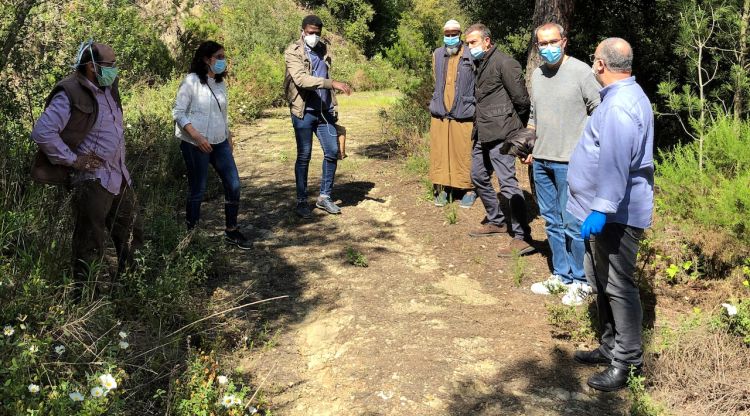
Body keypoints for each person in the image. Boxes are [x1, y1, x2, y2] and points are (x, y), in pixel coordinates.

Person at [567, 38, 654, 392]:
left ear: (600, 64)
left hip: (616, 215)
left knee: (619, 286)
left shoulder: (620, 107)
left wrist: (601, 208)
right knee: (600, 278)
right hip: (602, 211)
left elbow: (617, 164)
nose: (592, 64)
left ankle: (628, 362)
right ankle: (609, 345)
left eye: (594, 59)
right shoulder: (618, 98)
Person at [30, 40, 143, 295]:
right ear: (92, 66)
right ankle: (85, 298)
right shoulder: (69, 91)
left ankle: (130, 289)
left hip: (119, 174)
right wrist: (73, 160)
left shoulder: (109, 87)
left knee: (132, 233)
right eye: (110, 65)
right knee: (90, 242)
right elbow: (43, 132)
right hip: (92, 179)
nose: (115, 70)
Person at [523, 23, 601, 305]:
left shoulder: (582, 72)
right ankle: (561, 275)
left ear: (564, 41)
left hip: (572, 162)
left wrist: (586, 147)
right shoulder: (538, 74)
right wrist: (528, 141)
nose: (547, 48)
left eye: (552, 42)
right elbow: (534, 114)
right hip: (541, 160)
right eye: (542, 43)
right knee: (552, 220)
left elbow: (598, 110)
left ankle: (582, 281)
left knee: (573, 222)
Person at [173, 40, 250, 249]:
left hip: (220, 141)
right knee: (198, 189)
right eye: (219, 57)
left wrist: (229, 136)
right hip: (194, 143)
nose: (223, 62)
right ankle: (191, 235)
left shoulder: (220, 83)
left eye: (224, 57)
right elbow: (178, 113)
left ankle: (231, 230)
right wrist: (197, 138)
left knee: (233, 184)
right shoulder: (191, 82)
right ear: (207, 59)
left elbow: (222, 113)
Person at [465, 23, 533, 257]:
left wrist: (515, 130)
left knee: (508, 184)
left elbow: (522, 101)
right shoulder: (479, 64)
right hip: (482, 132)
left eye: (472, 42)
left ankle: (522, 236)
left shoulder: (504, 62)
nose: (469, 47)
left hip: (502, 133)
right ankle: (496, 220)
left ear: (487, 41)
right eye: (467, 43)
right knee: (477, 175)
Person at [284, 14, 352, 219]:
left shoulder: (323, 50)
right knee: (304, 156)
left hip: (325, 111)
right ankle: (301, 201)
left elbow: (325, 73)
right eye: (310, 32)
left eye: (317, 33)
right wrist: (332, 84)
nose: (314, 36)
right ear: (302, 31)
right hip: (303, 111)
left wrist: (332, 103)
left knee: (332, 151)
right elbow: (301, 79)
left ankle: (324, 197)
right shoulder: (292, 51)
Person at [428, 19, 477, 208]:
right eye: (447, 34)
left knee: (463, 152)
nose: (450, 38)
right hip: (440, 113)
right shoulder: (437, 54)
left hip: (463, 113)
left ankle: (468, 189)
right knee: (441, 152)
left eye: (454, 34)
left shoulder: (470, 54)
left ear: (460, 34)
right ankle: (445, 188)